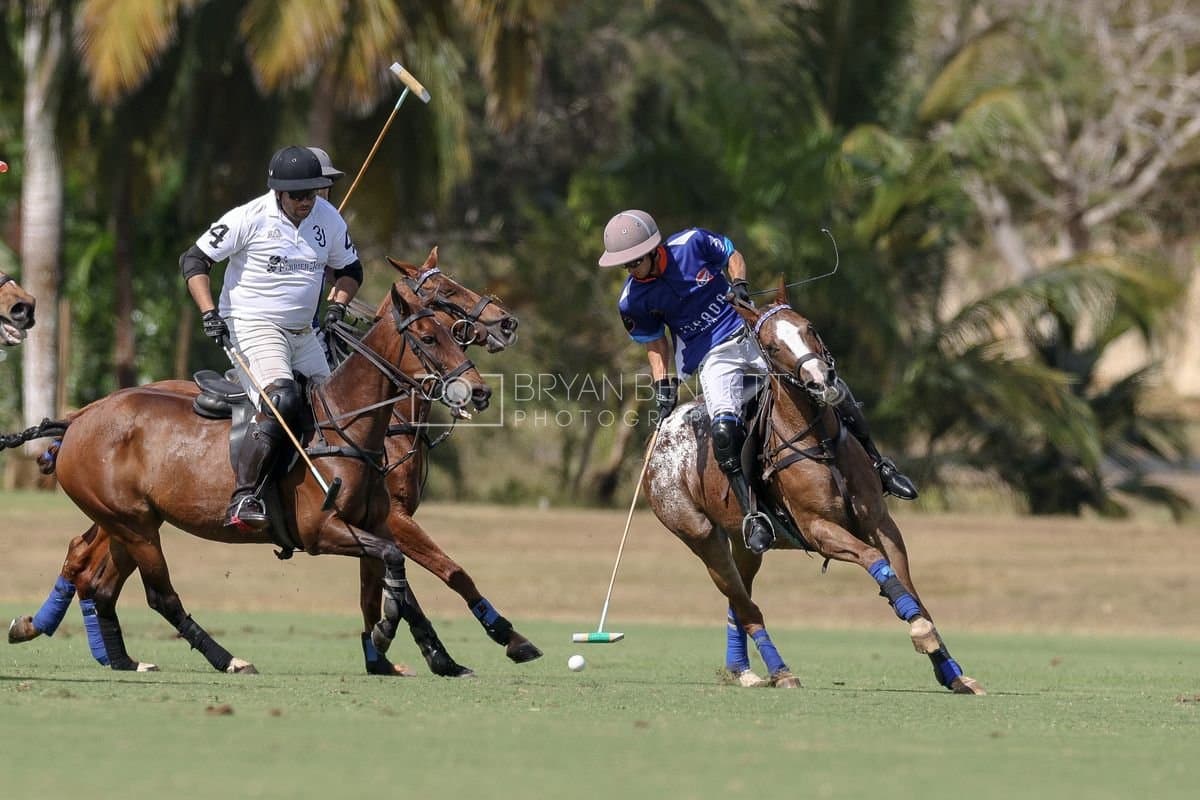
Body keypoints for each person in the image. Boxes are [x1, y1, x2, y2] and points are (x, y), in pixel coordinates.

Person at [599, 209, 917, 555]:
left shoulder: (692, 243)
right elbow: (656, 343)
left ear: (651, 250)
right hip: (712, 358)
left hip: (748, 332)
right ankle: (752, 515)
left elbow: (731, 254)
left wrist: (738, 284)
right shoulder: (633, 300)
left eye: (632, 262)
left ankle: (879, 465)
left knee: (827, 386)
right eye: (624, 265)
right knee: (724, 431)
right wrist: (664, 385)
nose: (629, 270)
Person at [180, 145, 364, 531]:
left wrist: (338, 306)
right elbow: (194, 260)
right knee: (282, 397)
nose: (306, 201)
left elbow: (350, 270)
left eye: (312, 193)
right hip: (253, 325)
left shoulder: (328, 219)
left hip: (304, 333)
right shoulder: (249, 218)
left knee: (339, 406)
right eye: (297, 195)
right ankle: (245, 496)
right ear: (279, 192)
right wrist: (209, 313)